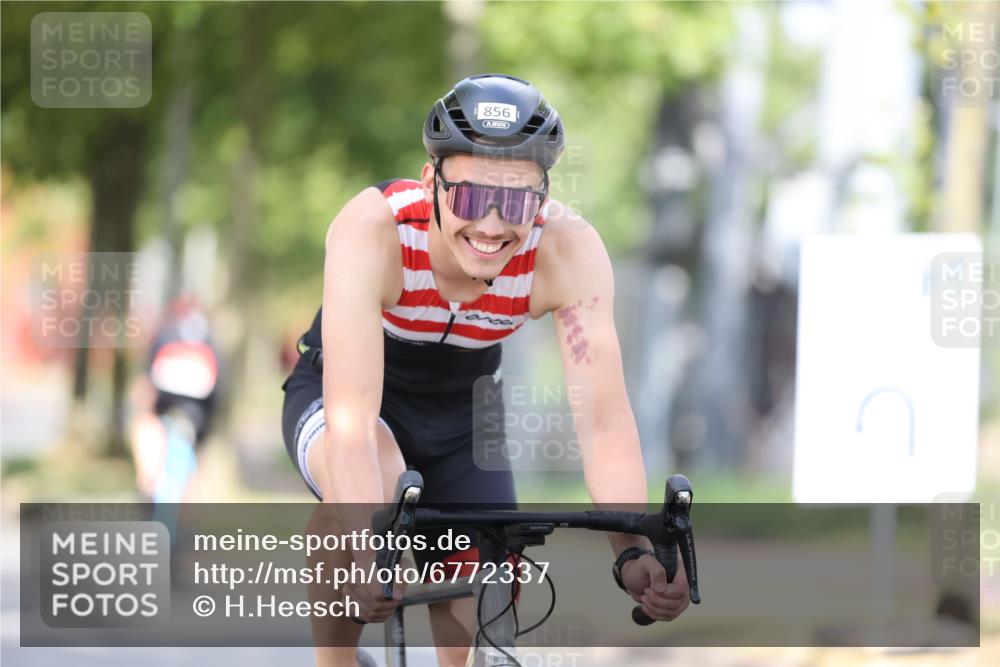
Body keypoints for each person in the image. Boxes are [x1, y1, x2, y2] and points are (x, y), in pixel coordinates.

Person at [280, 74, 690, 667]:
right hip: (344, 396)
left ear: (544, 199)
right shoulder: (374, 230)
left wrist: (632, 549)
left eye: (519, 201)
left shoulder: (566, 251)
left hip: (464, 415)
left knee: (488, 577)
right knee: (379, 490)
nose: (494, 226)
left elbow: (603, 423)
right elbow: (350, 425)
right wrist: (367, 552)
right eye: (472, 197)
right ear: (431, 184)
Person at [130, 294, 220, 505]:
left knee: (147, 438)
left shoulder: (165, 334)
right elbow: (219, 390)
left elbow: (146, 381)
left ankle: (149, 485)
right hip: (192, 417)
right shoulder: (210, 340)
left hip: (168, 414)